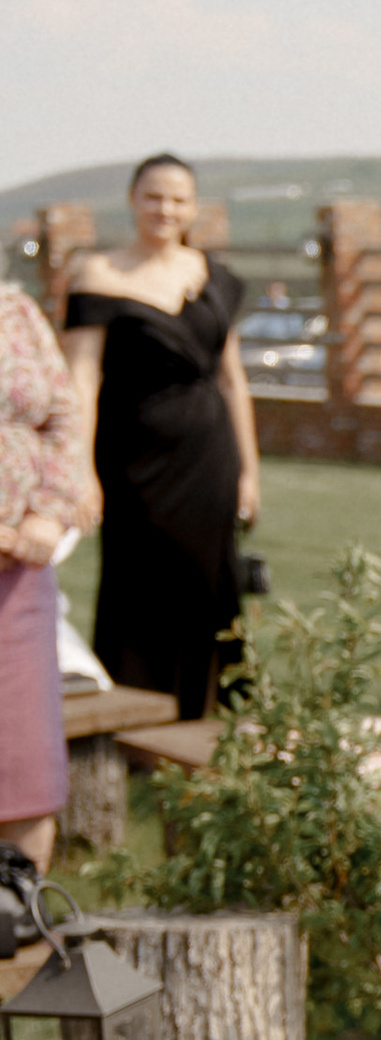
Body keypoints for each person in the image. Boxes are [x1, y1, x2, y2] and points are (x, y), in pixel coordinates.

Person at [61, 155, 259, 719]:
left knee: (209, 581)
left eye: (177, 199)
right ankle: (135, 720)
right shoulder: (98, 274)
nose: (164, 209)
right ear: (132, 200)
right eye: (153, 197)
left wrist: (249, 469)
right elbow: (82, 377)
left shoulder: (215, 277)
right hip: (133, 458)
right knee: (137, 585)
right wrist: (79, 469)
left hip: (209, 457)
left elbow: (232, 377)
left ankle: (205, 718)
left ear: (193, 208)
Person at [0, 288, 94, 873]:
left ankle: (18, 915)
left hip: (19, 574)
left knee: (24, 754)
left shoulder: (15, 309)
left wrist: (49, 511)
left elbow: (65, 413)